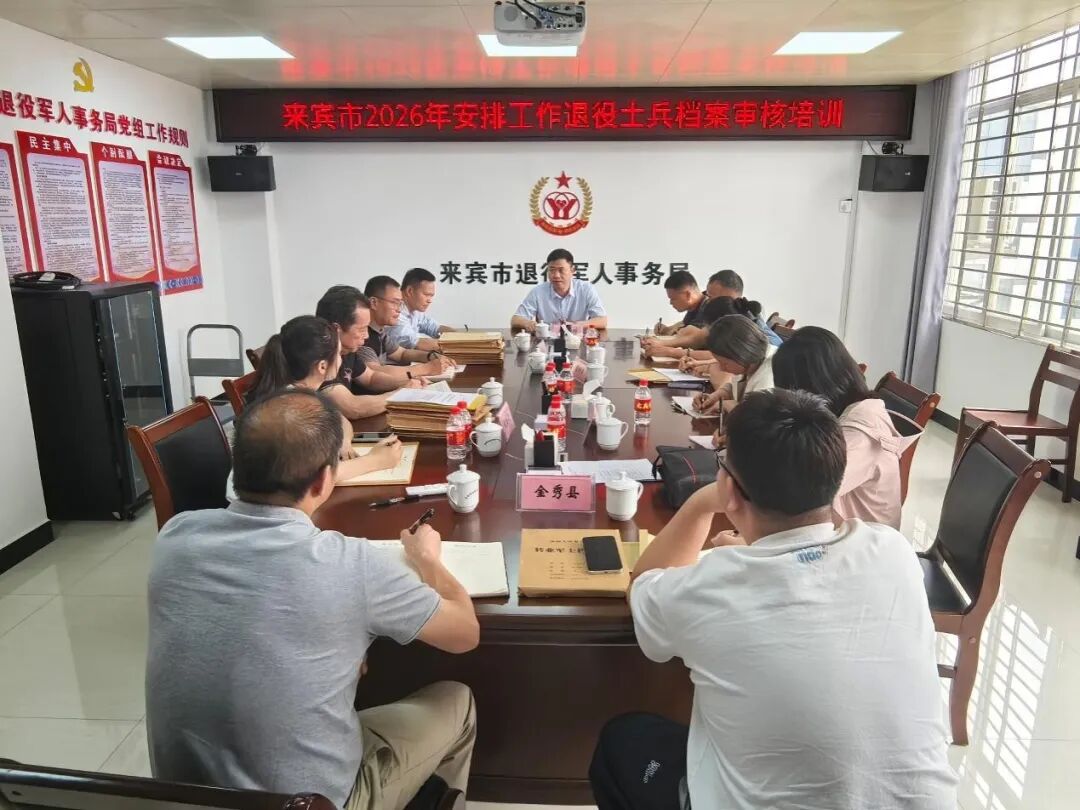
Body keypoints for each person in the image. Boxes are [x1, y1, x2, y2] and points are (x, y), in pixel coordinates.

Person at [589, 389, 956, 810]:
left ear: (729, 487)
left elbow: (643, 586)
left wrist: (700, 504)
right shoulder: (893, 551)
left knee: (622, 740)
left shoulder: (715, 585)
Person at [147, 391, 479, 810]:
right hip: (310, 802)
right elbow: (464, 633)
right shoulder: (350, 563)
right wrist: (428, 561)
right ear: (324, 480)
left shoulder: (175, 537)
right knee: (458, 701)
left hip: (182, 799)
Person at [773, 326, 913, 529]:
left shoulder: (860, 433)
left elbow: (800, 498)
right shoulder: (843, 413)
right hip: (838, 533)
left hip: (864, 543)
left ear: (810, 387)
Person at [246, 314, 403, 479]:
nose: (341, 359)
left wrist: (343, 442)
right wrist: (375, 461)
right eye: (338, 354)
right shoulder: (293, 411)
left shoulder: (303, 393)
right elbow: (315, 477)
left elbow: (341, 420)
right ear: (322, 366)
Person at [315, 286, 444, 401]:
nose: (366, 335)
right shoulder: (319, 358)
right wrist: (401, 392)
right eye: (361, 329)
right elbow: (352, 407)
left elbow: (371, 378)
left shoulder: (348, 350)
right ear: (336, 329)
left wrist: (407, 383)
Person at [363, 276, 459, 371]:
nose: (399, 310)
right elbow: (374, 374)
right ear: (374, 303)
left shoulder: (380, 333)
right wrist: (424, 369)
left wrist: (432, 356)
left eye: (400, 304)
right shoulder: (363, 336)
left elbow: (402, 353)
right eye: (394, 303)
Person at [643, 296, 779, 362]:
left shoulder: (757, 341)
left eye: (711, 294)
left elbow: (722, 359)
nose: (707, 297)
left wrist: (670, 351)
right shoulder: (742, 324)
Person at [693, 315, 774, 420]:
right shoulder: (750, 361)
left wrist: (730, 406)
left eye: (725, 363)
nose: (722, 368)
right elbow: (737, 385)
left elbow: (759, 419)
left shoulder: (770, 375)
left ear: (742, 354)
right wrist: (717, 395)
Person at [511, 248, 607, 332]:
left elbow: (602, 320)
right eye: (552, 270)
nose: (556, 275)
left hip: (578, 341)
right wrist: (528, 323)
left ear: (572, 270)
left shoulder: (586, 289)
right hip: (547, 342)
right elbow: (515, 319)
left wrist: (578, 325)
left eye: (561, 270)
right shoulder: (538, 292)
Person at [384, 267, 457, 352]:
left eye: (431, 296)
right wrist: (460, 344)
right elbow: (416, 343)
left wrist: (458, 335)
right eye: (426, 295)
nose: (429, 300)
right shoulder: (395, 312)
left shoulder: (414, 311)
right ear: (409, 291)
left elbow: (434, 327)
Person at [654, 271, 707, 336]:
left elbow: (688, 336)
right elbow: (684, 325)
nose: (670, 303)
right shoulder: (694, 307)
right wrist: (667, 330)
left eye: (673, 299)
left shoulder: (709, 310)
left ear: (688, 295)